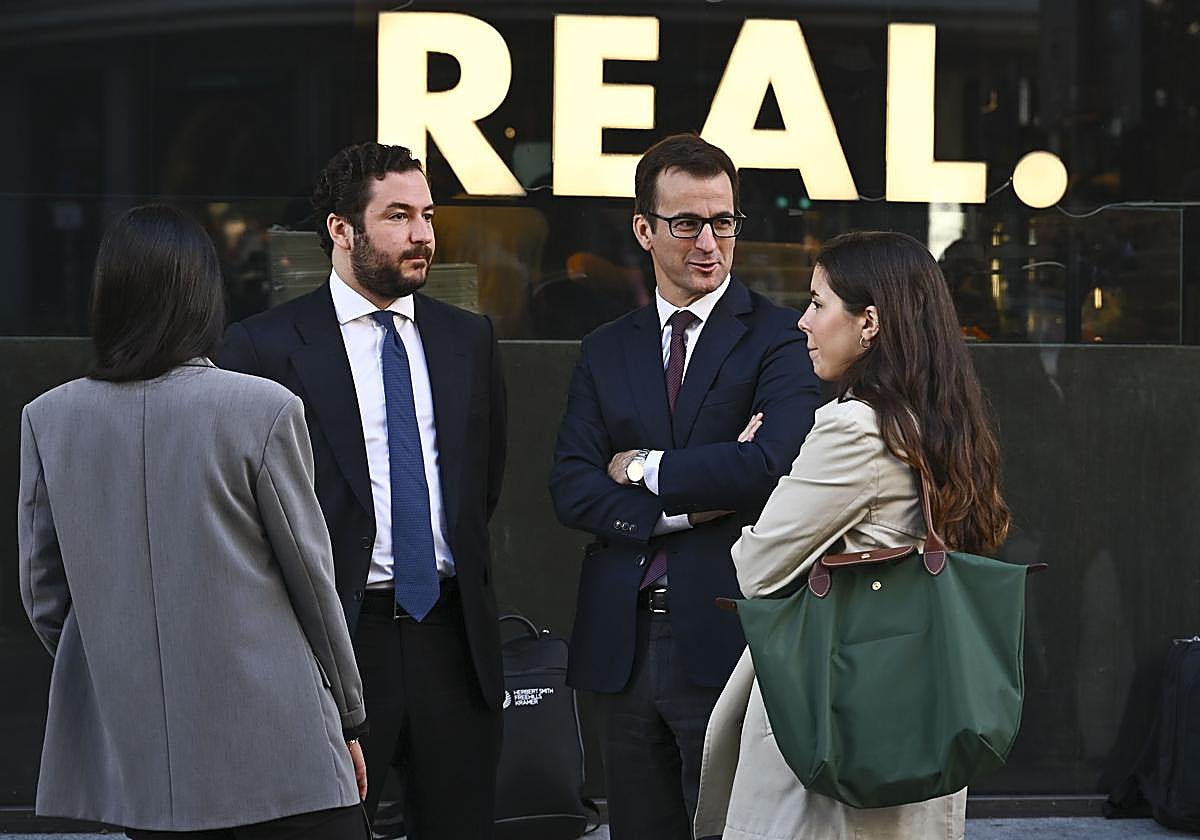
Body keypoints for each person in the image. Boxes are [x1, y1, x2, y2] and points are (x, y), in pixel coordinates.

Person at [17, 204, 369, 839]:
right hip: (280, 745)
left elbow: (45, 594)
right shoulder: (260, 410)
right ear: (205, 296)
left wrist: (124, 661)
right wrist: (347, 712)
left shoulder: (51, 418)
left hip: (145, 761)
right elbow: (312, 582)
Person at [216, 141, 507, 838]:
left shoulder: (468, 338)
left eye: (429, 217)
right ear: (341, 230)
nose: (423, 236)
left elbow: (481, 484)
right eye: (399, 216)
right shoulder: (263, 347)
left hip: (452, 637)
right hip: (336, 643)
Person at [693, 230, 1012, 840]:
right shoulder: (943, 425)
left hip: (830, 719)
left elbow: (755, 567)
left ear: (870, 322)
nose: (802, 323)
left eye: (817, 303)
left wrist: (758, 480)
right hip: (911, 714)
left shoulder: (854, 428)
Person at [549, 133, 821, 839]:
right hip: (623, 638)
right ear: (644, 229)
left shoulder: (781, 337)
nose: (708, 241)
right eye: (686, 222)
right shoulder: (607, 348)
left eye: (723, 221)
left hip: (731, 632)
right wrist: (685, 505)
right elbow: (572, 487)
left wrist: (641, 469)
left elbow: (769, 468)